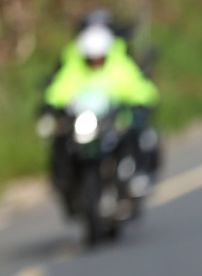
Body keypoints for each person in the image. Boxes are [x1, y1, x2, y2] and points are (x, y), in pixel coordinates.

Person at [43, 24, 161, 205]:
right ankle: (65, 183)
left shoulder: (118, 65)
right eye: (92, 59)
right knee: (61, 141)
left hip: (114, 118)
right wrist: (49, 106)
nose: (96, 62)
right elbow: (60, 89)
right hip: (87, 121)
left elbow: (137, 87)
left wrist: (142, 102)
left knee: (133, 132)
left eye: (99, 58)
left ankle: (135, 174)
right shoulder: (75, 67)